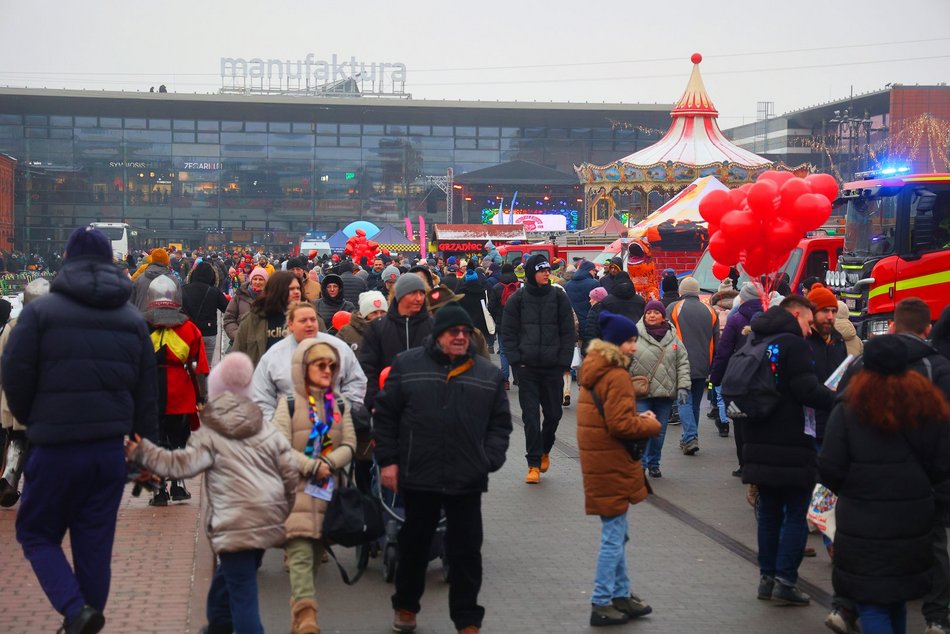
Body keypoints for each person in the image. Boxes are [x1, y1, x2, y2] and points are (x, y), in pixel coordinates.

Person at [1, 225, 158, 634]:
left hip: (54, 446)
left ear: (67, 258)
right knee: (94, 547)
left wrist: (32, 419)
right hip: (108, 450)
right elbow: (147, 391)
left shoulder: (39, 313)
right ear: (110, 261)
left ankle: (75, 612)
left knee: (36, 533)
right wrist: (143, 445)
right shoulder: (131, 319)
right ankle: (85, 618)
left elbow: (14, 375)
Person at [126, 352, 298, 634]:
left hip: (233, 522)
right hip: (266, 517)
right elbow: (289, 472)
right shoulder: (266, 428)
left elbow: (182, 464)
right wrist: (284, 510)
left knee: (242, 593)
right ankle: (218, 625)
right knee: (230, 578)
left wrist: (145, 452)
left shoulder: (211, 434)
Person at [374, 304, 512, 634]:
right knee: (414, 547)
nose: (461, 337)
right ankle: (406, 607)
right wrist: (390, 461)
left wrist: (489, 458)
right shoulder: (407, 365)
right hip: (418, 475)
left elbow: (500, 425)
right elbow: (386, 417)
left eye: (466, 333)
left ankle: (467, 619)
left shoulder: (487, 373)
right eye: (454, 333)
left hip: (467, 478)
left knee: (466, 553)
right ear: (438, 336)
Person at [827, 297, 950, 634]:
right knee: (897, 594)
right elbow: (941, 456)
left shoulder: (850, 402)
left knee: (874, 600)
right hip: (916, 505)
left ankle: (844, 607)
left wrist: (847, 488)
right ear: (927, 329)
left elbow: (831, 463)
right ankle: (937, 616)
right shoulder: (930, 391)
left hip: (861, 510)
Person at [741, 296, 835, 606]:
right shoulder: (794, 345)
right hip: (791, 441)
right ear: (796, 315)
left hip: (758, 437)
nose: (809, 330)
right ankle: (786, 580)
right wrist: (837, 398)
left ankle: (766, 578)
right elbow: (807, 390)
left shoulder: (758, 336)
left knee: (768, 513)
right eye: (808, 323)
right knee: (796, 513)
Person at [577, 311, 661, 627]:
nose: (634, 348)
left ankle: (621, 594)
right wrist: (649, 423)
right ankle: (601, 601)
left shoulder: (595, 369)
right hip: (611, 463)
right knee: (613, 536)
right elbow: (620, 424)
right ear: (615, 344)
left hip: (600, 462)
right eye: (629, 342)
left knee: (618, 533)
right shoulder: (616, 375)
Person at [273, 340, 356, 634]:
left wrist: (329, 464)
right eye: (320, 365)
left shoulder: (340, 404)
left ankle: (299, 615)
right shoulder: (290, 403)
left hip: (328, 494)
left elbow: (349, 444)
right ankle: (308, 618)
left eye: (331, 366)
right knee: (298, 554)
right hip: (295, 493)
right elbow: (280, 447)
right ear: (303, 369)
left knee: (313, 559)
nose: (327, 370)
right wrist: (310, 466)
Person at [500, 253, 576, 484]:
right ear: (532, 273)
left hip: (553, 367)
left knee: (553, 414)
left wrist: (564, 362)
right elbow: (509, 333)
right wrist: (516, 363)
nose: (546, 273)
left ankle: (545, 450)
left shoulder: (559, 297)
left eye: (548, 270)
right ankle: (533, 463)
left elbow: (567, 331)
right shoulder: (518, 299)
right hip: (528, 368)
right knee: (531, 418)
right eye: (542, 270)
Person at [143, 275, 210, 506]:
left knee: (155, 438)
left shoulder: (141, 326)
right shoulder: (189, 328)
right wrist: (202, 396)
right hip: (180, 389)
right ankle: (178, 484)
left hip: (150, 389)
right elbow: (198, 366)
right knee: (179, 437)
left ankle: (158, 488)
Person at [251, 301, 366, 425]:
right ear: (290, 324)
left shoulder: (338, 348)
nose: (309, 324)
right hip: (288, 432)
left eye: (313, 319)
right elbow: (261, 396)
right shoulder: (273, 356)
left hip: (334, 426)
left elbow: (356, 380)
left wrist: (344, 408)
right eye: (303, 321)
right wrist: (276, 427)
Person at [0, 278, 51, 507]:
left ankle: (10, 480)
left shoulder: (12, 326)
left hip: (15, 393)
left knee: (17, 440)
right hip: (46, 397)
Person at [710, 282, 765, 476]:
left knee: (739, 422)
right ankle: (759, 460)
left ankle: (744, 464)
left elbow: (724, 352)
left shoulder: (735, 318)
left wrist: (715, 378)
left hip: (738, 379)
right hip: (762, 378)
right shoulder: (769, 314)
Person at [631, 299, 691, 478]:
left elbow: (683, 363)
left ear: (662, 316)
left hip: (665, 393)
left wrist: (683, 387)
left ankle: (654, 463)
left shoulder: (673, 336)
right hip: (641, 392)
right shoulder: (634, 334)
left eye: (656, 312)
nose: (651, 315)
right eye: (649, 312)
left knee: (658, 433)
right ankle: (640, 464)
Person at [359, 273, 432, 411]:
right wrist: (374, 402)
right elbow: (368, 368)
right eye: (413, 293)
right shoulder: (378, 328)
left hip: (425, 406)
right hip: (387, 405)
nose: (419, 298)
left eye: (422, 293)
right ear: (400, 296)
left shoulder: (433, 327)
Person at [666, 277, 719, 455]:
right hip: (704, 363)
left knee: (683, 402)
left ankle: (689, 437)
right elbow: (716, 340)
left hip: (680, 363)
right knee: (694, 404)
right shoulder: (710, 310)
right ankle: (689, 438)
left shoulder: (674, 308)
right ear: (697, 292)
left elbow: (666, 337)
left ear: (681, 291)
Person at [232, 271, 303, 366]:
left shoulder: (310, 318)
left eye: (298, 288)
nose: (297, 292)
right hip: (261, 376)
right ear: (277, 291)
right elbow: (237, 355)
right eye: (291, 289)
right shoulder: (253, 319)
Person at [182, 261, 230, 367]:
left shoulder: (183, 290)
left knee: (188, 365)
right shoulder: (214, 291)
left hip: (188, 332)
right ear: (212, 276)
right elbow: (227, 309)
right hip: (208, 332)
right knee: (206, 366)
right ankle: (204, 382)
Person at [584, 272, 646, 352]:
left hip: (611, 345)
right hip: (636, 344)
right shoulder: (640, 301)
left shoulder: (606, 301)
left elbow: (599, 325)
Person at [336, 289, 388, 356]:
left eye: (383, 312)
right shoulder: (346, 332)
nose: (379, 316)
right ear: (364, 315)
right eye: (374, 313)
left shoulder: (393, 330)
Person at [223, 266, 268, 342]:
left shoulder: (272, 298)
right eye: (255, 279)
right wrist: (238, 336)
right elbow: (229, 319)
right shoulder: (239, 297)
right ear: (251, 280)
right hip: (242, 343)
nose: (257, 282)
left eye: (261, 279)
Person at [131, 247, 180, 312]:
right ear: (167, 261)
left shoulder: (139, 279)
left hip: (143, 318)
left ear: (152, 259)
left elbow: (131, 302)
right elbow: (179, 304)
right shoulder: (173, 280)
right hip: (166, 319)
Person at [564, 260, 600, 342]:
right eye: (593, 270)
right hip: (589, 324)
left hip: (573, 324)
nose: (595, 272)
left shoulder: (568, 285)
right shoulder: (594, 284)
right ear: (588, 270)